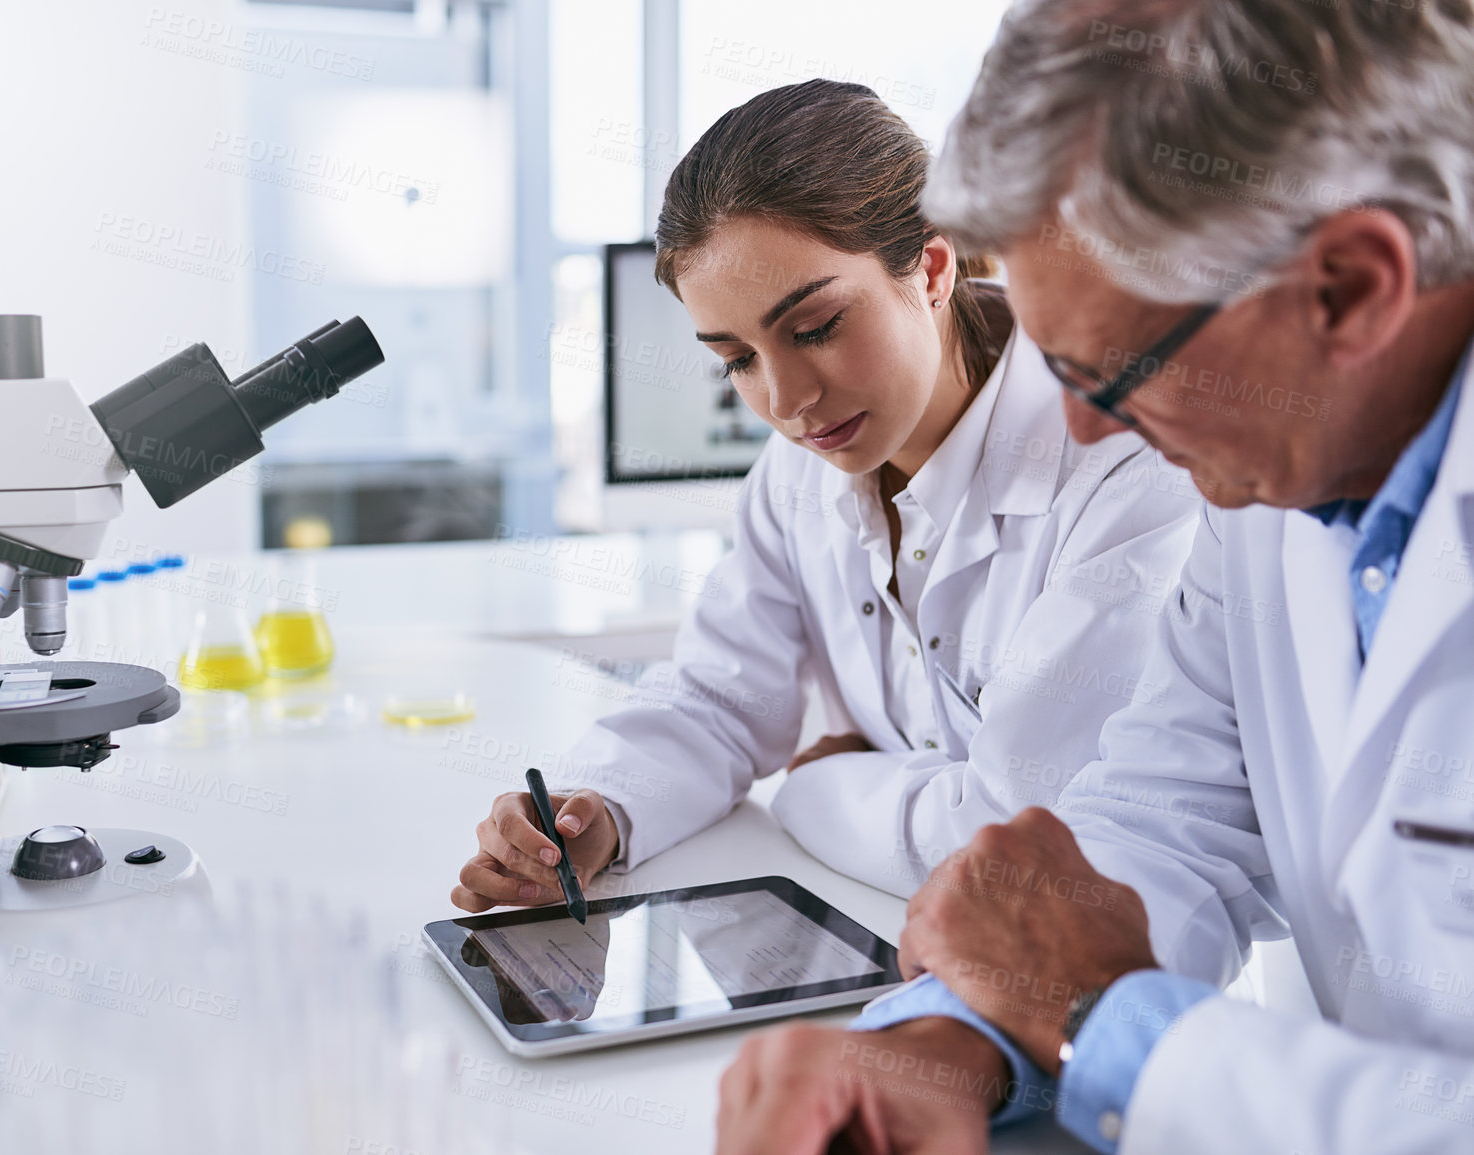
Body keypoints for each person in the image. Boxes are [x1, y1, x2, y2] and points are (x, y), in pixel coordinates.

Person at [711, 4, 1474, 1154]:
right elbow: (1171, 817)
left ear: (1352, 286)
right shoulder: (1274, 489)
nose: (1075, 422)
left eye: (1119, 369)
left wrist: (1117, 1028)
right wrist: (951, 1041)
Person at [450, 80, 1200, 921]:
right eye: (735, 358)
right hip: (879, 928)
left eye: (815, 328)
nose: (787, 399)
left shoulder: (1121, 464)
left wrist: (814, 783)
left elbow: (1015, 832)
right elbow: (721, 699)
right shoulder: (799, 472)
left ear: (931, 266)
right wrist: (598, 812)